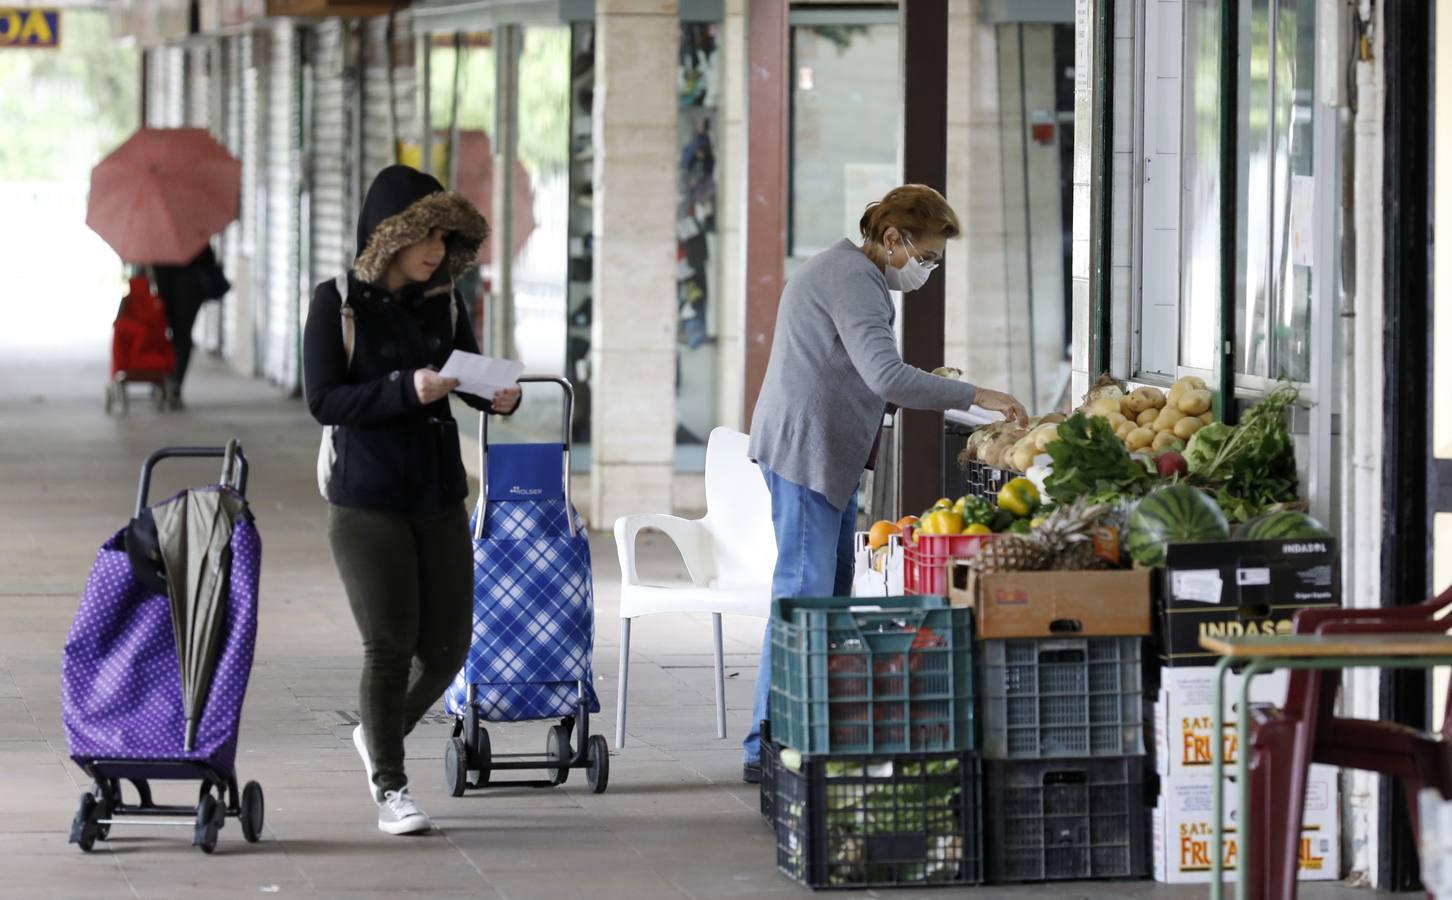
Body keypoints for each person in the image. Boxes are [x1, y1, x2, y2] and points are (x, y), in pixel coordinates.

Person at [740, 184, 1028, 782]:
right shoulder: (853, 280)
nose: (927, 270)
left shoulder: (848, 271)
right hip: (807, 451)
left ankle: (803, 727)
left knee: (827, 594)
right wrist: (975, 395)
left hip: (825, 452)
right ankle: (765, 742)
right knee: (802, 597)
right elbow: (886, 376)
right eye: (926, 257)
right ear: (893, 239)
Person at [303, 165, 521, 835]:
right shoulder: (336, 301)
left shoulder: (443, 301)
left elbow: (468, 371)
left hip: (436, 491)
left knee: (450, 645)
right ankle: (391, 786)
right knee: (389, 644)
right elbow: (325, 400)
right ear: (390, 236)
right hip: (365, 497)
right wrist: (405, 389)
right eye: (424, 234)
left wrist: (498, 395)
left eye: (445, 235)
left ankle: (379, 734)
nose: (435, 248)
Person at [151, 245, 228, 410]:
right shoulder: (192, 230)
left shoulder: (160, 234)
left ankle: (170, 381)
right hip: (187, 287)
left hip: (177, 286)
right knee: (181, 336)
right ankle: (174, 382)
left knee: (175, 336)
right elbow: (208, 259)